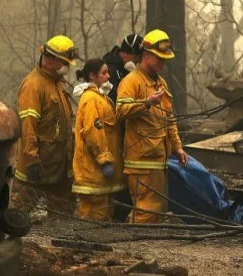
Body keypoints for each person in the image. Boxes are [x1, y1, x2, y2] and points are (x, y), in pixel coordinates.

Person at [116, 29, 188, 223]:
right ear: (146, 54)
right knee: (145, 212)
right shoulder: (131, 81)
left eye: (165, 59)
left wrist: (177, 146)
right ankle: (133, 250)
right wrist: (146, 102)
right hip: (141, 162)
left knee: (157, 212)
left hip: (158, 160)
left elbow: (168, 119)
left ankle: (144, 249)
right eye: (159, 58)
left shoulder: (160, 82)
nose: (162, 63)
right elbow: (120, 111)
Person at [12, 35, 78, 216]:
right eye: (64, 62)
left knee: (63, 213)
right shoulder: (33, 85)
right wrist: (32, 160)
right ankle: (10, 241)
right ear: (49, 59)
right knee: (20, 212)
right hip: (39, 166)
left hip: (59, 166)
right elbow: (28, 125)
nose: (66, 67)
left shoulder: (56, 83)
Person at [71, 59, 125, 221]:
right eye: (104, 73)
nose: (108, 76)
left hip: (100, 178)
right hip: (94, 174)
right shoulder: (91, 100)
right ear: (92, 76)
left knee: (103, 218)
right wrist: (104, 160)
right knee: (93, 220)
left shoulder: (101, 98)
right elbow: (93, 132)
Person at [103, 33, 144, 104]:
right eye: (136, 58)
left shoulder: (128, 70)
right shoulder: (108, 70)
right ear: (125, 54)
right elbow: (110, 99)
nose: (138, 62)